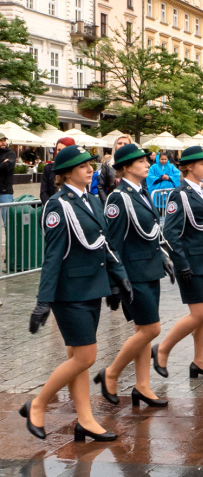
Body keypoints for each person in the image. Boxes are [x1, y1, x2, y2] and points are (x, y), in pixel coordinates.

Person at [23, 144, 133, 442]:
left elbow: (104, 243)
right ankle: (38, 404)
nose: (91, 169)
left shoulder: (94, 200)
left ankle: (85, 420)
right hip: (68, 292)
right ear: (67, 172)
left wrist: (117, 280)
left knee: (78, 357)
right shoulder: (58, 205)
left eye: (91, 165)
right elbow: (53, 255)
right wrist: (43, 300)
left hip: (90, 287)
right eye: (84, 165)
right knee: (85, 357)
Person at [95, 144, 175, 408]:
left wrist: (163, 259)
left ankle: (142, 386)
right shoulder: (119, 198)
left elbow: (149, 232)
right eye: (141, 161)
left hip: (149, 269)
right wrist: (115, 282)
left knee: (143, 330)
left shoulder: (141, 192)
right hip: (133, 274)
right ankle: (111, 373)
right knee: (152, 328)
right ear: (126, 167)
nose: (147, 164)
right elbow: (113, 243)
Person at [153, 146, 203, 382]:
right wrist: (181, 263)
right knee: (198, 314)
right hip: (192, 261)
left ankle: (200, 360)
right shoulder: (179, 194)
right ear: (189, 167)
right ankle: (162, 349)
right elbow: (171, 232)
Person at [40, 137, 75, 204]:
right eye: (59, 150)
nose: (61, 152)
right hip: (52, 208)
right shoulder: (48, 168)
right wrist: (51, 206)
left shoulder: (77, 169)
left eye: (64, 149)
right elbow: (43, 193)